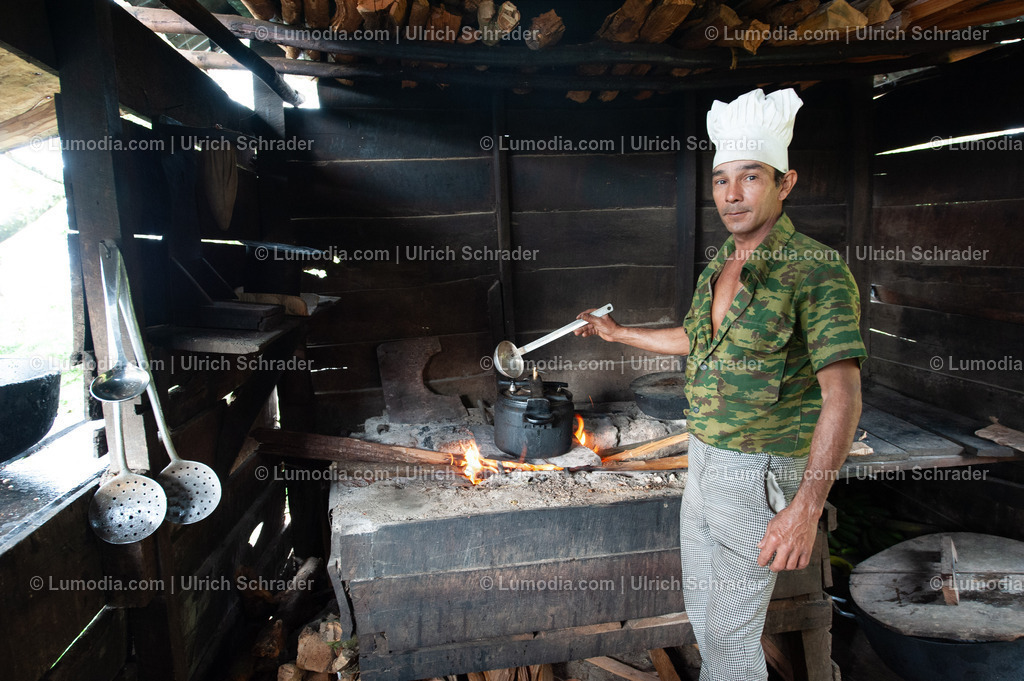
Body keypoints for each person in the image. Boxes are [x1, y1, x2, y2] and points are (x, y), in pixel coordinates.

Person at [574, 88, 865, 681]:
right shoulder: (719, 265)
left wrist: (806, 507)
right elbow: (695, 339)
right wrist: (619, 334)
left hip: (760, 471)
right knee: (706, 617)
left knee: (731, 640)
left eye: (750, 177)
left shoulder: (816, 269)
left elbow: (843, 396)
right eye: (721, 179)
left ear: (785, 184)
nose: (731, 194)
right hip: (704, 459)